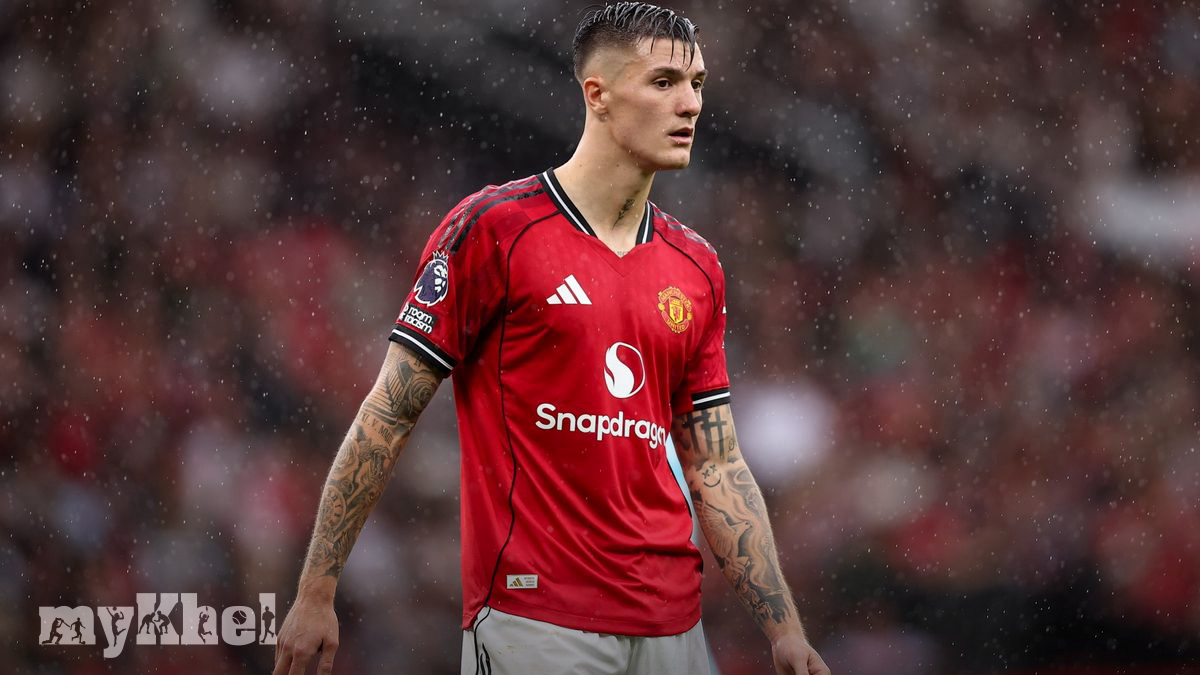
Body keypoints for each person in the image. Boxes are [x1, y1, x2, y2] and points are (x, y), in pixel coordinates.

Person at [273, 3, 830, 674]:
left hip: (673, 626)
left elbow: (714, 463)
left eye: (697, 84)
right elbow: (389, 412)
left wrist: (783, 628)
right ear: (598, 94)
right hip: (535, 616)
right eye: (663, 82)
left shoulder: (697, 265)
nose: (689, 104)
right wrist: (316, 590)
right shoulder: (495, 229)